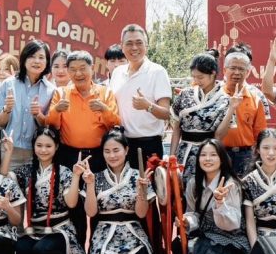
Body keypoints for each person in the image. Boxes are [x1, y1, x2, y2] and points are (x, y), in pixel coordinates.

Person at [82, 128, 157, 254]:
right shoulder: (95, 177)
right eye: (107, 151)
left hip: (134, 233)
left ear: (126, 150)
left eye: (116, 150)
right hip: (105, 235)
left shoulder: (139, 176)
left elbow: (141, 213)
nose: (112, 155)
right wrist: (90, 185)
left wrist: (142, 191)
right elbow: (91, 212)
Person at [10, 127, 84, 254]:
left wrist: (76, 176)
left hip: (59, 230)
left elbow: (71, 203)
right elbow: (6, 177)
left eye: (48, 146)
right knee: (20, 247)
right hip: (36, 230)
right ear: (33, 146)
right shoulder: (27, 170)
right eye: (39, 145)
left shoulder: (64, 172)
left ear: (56, 147)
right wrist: (9, 152)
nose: (43, 150)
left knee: (42, 249)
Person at [174, 139, 249, 254]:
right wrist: (187, 221)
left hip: (230, 239)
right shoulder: (194, 183)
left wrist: (220, 203)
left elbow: (232, 224)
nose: (207, 159)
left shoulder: (231, 184)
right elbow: (193, 213)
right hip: (206, 237)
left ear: (222, 158)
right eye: (203, 155)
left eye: (213, 155)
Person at [45, 50, 121, 173]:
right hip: (68, 154)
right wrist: (57, 110)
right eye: (73, 69)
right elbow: (52, 125)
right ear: (68, 71)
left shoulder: (105, 92)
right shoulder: (61, 93)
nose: (78, 73)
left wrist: (104, 110)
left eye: (82, 68)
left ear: (92, 68)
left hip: (98, 155)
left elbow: (115, 125)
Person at [110, 24, 172, 164]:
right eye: (129, 43)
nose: (134, 48)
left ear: (146, 45)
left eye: (139, 43)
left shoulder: (157, 72)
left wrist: (147, 106)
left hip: (149, 145)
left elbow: (166, 114)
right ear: (122, 47)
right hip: (121, 144)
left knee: (149, 179)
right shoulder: (117, 73)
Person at [170, 53, 229, 188]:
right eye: (194, 77)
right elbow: (177, 128)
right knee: (180, 190)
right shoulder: (185, 94)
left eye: (200, 77)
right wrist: (172, 155)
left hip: (208, 153)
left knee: (206, 189)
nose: (196, 81)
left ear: (213, 74)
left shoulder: (224, 100)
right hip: (184, 151)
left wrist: (232, 108)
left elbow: (220, 135)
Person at [0, 40, 54, 171]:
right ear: (24, 59)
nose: (36, 61)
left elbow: (49, 126)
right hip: (9, 150)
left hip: (37, 153)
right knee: (6, 183)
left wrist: (38, 115)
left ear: (47, 62)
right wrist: (7, 109)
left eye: (41, 57)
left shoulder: (51, 90)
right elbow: (0, 122)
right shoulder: (8, 84)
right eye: (32, 56)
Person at [216, 51, 267, 176]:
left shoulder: (255, 99)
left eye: (241, 69)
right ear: (224, 70)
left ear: (248, 72)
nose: (237, 72)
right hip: (219, 153)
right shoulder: (215, 96)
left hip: (246, 155)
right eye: (233, 68)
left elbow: (260, 134)